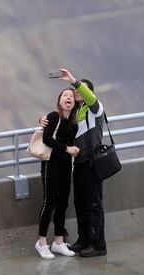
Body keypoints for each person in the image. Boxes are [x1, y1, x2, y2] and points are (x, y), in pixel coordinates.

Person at [39, 68, 107, 257]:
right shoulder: (76, 113)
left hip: (92, 163)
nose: (77, 93)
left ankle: (99, 245)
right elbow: (56, 121)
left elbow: (88, 96)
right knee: (79, 204)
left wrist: (74, 81)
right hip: (78, 165)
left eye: (80, 91)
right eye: (75, 91)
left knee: (94, 205)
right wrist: (43, 119)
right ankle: (84, 240)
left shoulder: (95, 108)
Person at [35, 88, 80, 259]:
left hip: (66, 166)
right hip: (50, 166)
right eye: (64, 96)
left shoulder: (73, 123)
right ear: (59, 102)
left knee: (62, 204)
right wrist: (68, 149)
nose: (68, 97)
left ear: (74, 103)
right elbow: (47, 139)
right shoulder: (53, 117)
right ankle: (41, 243)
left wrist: (72, 152)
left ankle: (59, 242)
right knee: (49, 203)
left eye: (71, 96)